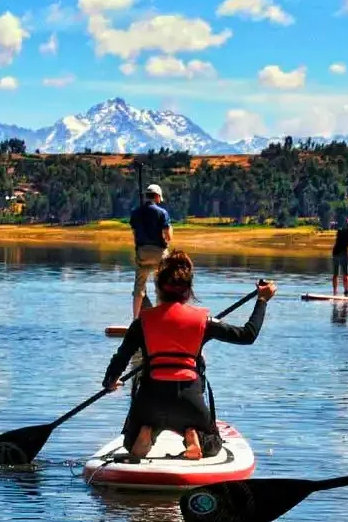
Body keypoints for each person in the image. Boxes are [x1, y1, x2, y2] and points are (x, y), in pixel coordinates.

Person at [103, 251, 276, 460]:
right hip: (189, 400)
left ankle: (146, 431)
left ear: (158, 289)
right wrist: (262, 300)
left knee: (131, 443)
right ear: (189, 290)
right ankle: (192, 435)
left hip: (150, 400)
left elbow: (121, 358)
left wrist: (111, 381)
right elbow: (247, 335)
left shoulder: (142, 321)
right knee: (213, 446)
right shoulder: (204, 321)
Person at [129, 183, 172, 319]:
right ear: (157, 196)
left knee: (139, 288)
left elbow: (135, 235)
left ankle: (135, 319)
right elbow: (168, 236)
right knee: (161, 286)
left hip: (142, 253)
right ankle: (160, 319)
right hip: (159, 254)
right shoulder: (162, 213)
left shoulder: (136, 212)